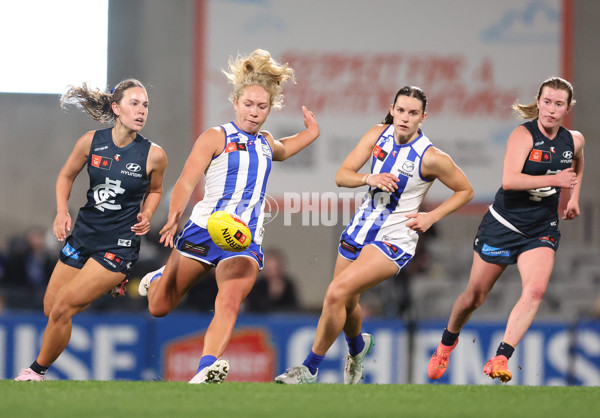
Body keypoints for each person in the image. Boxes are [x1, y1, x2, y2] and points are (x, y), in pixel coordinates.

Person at [138, 49, 320, 384]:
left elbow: (287, 146)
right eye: (248, 104)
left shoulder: (266, 143)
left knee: (231, 299)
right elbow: (185, 180)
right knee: (159, 307)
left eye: (262, 107)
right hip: (203, 229)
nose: (254, 112)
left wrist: (312, 132)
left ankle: (205, 367)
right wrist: (175, 214)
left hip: (242, 239)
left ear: (270, 109)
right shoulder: (216, 137)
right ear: (236, 102)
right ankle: (158, 277)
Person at [275, 86, 474, 384]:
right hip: (359, 229)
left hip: (394, 239)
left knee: (335, 293)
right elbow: (342, 175)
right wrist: (370, 178)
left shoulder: (431, 157)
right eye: (401, 110)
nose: (405, 117)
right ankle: (358, 348)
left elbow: (465, 190)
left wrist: (432, 217)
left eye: (413, 113)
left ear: (423, 117)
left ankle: (308, 368)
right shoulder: (376, 134)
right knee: (347, 302)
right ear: (392, 109)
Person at [427, 77, 584, 383]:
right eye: (547, 102)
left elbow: (578, 161)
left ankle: (501, 356)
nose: (551, 109)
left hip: (541, 228)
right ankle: (447, 343)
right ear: (538, 102)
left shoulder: (574, 139)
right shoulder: (523, 136)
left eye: (559, 104)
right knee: (474, 296)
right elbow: (510, 180)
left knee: (535, 290)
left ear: (567, 108)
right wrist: (557, 182)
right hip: (503, 225)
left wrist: (574, 196)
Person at [14, 79, 167, 381]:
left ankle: (35, 371)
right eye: (134, 103)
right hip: (83, 235)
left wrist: (147, 213)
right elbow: (66, 175)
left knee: (63, 308)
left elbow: (156, 190)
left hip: (119, 244)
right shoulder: (91, 142)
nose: (141, 110)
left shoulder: (153, 155)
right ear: (116, 107)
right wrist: (61, 212)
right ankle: (106, 284)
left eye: (145, 105)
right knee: (51, 309)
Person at [245, 248, 299, 312]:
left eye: (275, 269)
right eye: (268, 269)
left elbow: (293, 308)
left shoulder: (288, 285)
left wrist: (279, 295)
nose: (272, 274)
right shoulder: (256, 286)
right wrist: (271, 296)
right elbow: (253, 309)